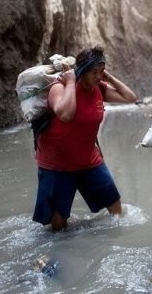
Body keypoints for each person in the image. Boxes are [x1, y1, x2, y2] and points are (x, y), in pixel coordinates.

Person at [32, 45, 139, 231]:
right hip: (58, 164)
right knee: (58, 225)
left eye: (101, 71)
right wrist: (72, 82)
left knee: (115, 207)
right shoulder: (59, 87)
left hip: (89, 160)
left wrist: (107, 76)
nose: (98, 76)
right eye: (94, 72)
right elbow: (66, 114)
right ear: (81, 71)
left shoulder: (100, 88)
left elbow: (130, 97)